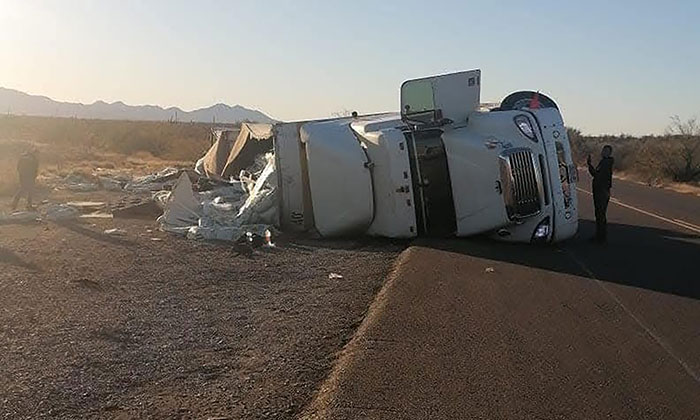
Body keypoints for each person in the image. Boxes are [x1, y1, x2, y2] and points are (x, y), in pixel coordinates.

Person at [587, 145, 614, 243]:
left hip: (602, 190)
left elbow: (597, 175)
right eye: (603, 150)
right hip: (601, 190)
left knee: (600, 214)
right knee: (599, 214)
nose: (603, 152)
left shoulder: (606, 163)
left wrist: (590, 165)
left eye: (606, 151)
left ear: (609, 153)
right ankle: (600, 236)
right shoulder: (604, 162)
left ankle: (601, 237)